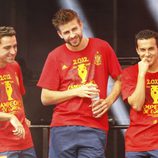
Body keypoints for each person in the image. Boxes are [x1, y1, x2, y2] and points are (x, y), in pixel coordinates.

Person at [37, 9, 122, 158]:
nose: (72, 35)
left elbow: (121, 79)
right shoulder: (54, 56)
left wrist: (108, 102)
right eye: (66, 32)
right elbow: (45, 98)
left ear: (81, 25)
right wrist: (77, 91)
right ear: (60, 34)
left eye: (74, 29)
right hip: (62, 127)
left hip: (94, 126)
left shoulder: (102, 47)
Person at [0, 26, 37, 158]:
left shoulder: (15, 66)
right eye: (7, 48)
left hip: (25, 142)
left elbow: (17, 97)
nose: (13, 51)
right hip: (3, 146)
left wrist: (21, 116)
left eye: (15, 46)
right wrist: (11, 117)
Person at [121, 29, 158, 158]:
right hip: (136, 144)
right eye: (143, 50)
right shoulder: (129, 73)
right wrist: (142, 74)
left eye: (151, 49)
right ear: (137, 51)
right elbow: (137, 105)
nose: (147, 54)